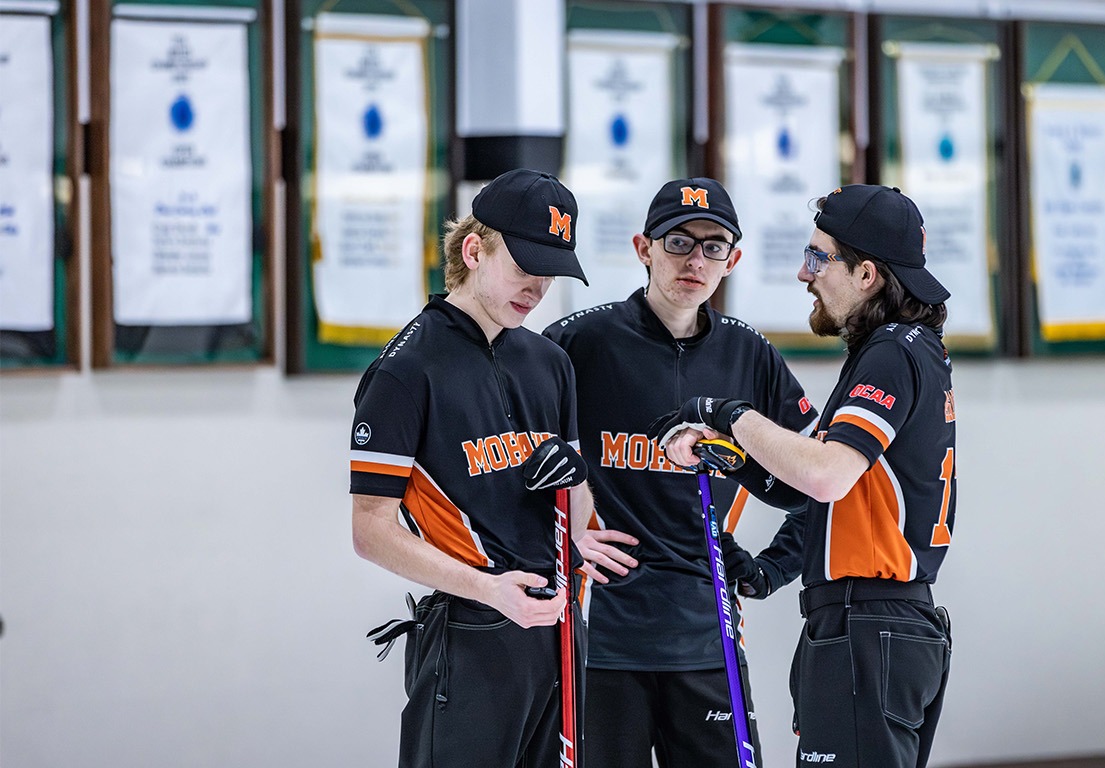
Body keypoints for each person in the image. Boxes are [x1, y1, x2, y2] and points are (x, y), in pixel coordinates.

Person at [654, 184, 957, 768]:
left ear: (866, 273)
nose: (804, 272)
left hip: (868, 626)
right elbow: (812, 489)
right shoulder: (902, 348)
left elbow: (824, 476)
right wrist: (763, 557)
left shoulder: (893, 352)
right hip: (876, 625)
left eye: (819, 258)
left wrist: (729, 413)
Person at [543, 177, 817, 767]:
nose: (695, 260)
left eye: (713, 246)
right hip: (601, 635)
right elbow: (515, 459)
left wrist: (774, 567)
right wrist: (565, 538)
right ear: (644, 248)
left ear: (733, 260)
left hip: (707, 634)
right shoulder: (577, 342)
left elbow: (822, 476)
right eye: (678, 242)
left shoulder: (750, 354)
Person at [351, 168, 609, 767]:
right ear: (474, 249)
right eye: (525, 267)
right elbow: (370, 531)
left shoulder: (550, 363)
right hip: (471, 633)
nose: (538, 288)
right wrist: (490, 591)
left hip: (560, 631)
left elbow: (576, 519)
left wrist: (580, 495)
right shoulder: (406, 370)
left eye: (551, 272)